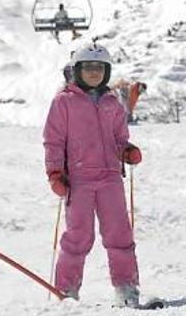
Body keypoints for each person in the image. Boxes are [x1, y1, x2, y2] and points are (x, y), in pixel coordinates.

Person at [43, 43, 144, 307]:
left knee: (120, 234)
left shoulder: (112, 101)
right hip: (78, 180)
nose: (94, 73)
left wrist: (127, 151)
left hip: (110, 177)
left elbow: (120, 138)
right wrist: (55, 173)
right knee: (78, 236)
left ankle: (126, 288)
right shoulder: (63, 101)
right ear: (77, 70)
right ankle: (67, 290)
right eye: (88, 67)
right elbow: (53, 141)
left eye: (99, 68)